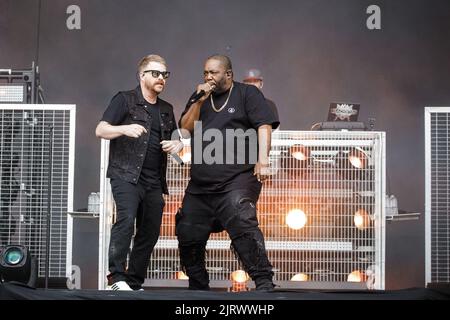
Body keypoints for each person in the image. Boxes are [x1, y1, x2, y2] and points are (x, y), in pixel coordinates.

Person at [177, 54, 280, 291]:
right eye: (205, 73)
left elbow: (264, 125)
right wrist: (198, 100)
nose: (208, 77)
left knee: (240, 216)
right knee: (187, 229)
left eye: (213, 72)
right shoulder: (201, 98)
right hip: (201, 184)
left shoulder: (247, 94)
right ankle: (198, 287)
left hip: (237, 178)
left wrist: (263, 159)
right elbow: (185, 128)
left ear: (228, 74)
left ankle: (264, 282)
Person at [95, 54, 183, 291]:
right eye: (156, 73)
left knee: (150, 230)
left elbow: (176, 142)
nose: (161, 78)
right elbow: (100, 130)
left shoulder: (167, 109)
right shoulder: (124, 100)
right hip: (126, 175)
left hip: (154, 181)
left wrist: (178, 145)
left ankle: (133, 282)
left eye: (165, 74)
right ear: (142, 75)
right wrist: (124, 128)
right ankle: (116, 277)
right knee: (125, 221)